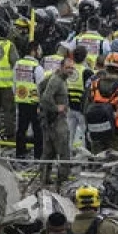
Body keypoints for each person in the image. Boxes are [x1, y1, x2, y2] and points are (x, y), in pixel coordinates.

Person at [86, 53, 118, 154]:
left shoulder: (93, 85)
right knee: (115, 161)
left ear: (105, 67)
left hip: (96, 129)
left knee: (97, 161)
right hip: (116, 131)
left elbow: (86, 107)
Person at [40, 56, 74, 187]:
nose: (70, 71)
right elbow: (45, 98)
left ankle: (45, 178)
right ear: (61, 67)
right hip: (57, 121)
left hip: (51, 120)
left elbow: (40, 86)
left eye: (72, 68)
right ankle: (62, 180)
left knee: (49, 151)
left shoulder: (57, 78)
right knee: (64, 151)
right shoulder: (57, 80)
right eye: (68, 68)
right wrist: (55, 108)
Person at [14, 42, 45, 160]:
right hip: (34, 103)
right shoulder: (37, 68)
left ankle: (20, 154)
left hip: (21, 101)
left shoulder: (18, 64)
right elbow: (40, 88)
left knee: (21, 129)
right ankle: (38, 156)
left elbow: (14, 83)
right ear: (33, 51)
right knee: (38, 131)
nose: (40, 52)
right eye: (39, 49)